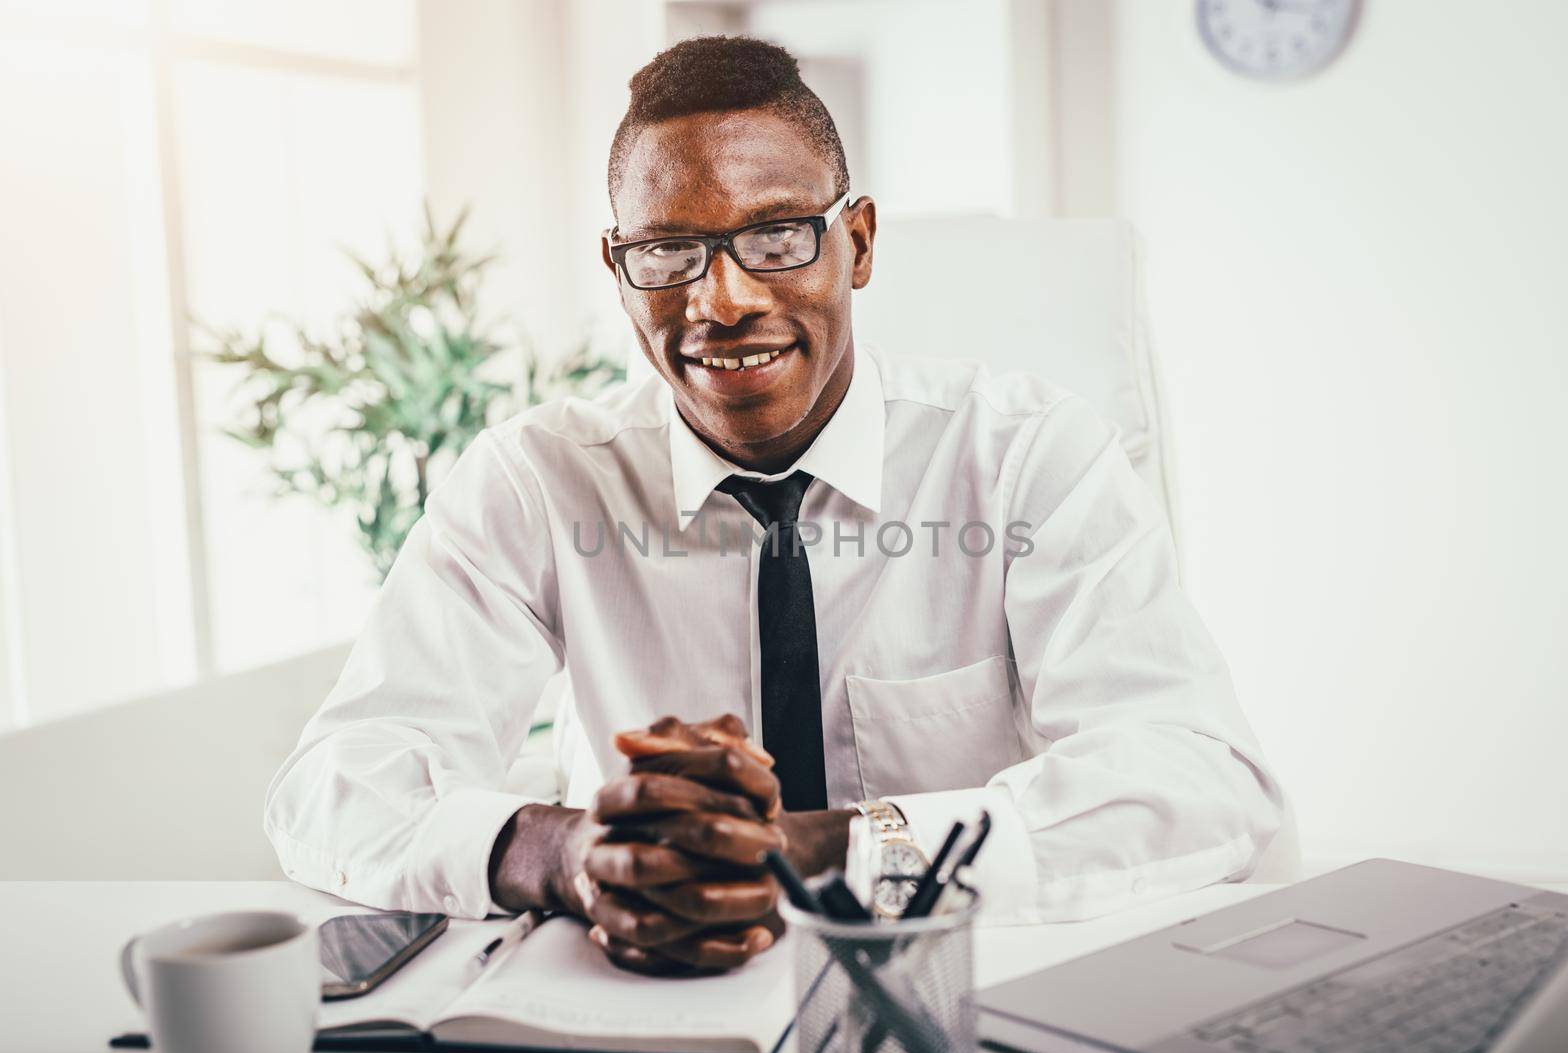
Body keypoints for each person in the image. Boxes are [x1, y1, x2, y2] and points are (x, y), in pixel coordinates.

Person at [265, 35, 1285, 976]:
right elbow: (334, 785)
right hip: (645, 999)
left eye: (777, 237)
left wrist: (824, 850)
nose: (722, 301)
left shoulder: (1028, 459)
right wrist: (565, 849)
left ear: (861, 243)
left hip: (956, 992)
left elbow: (1197, 782)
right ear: (620, 275)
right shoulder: (536, 481)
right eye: (666, 252)